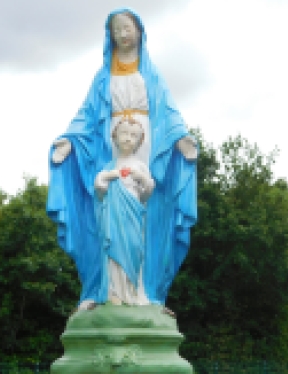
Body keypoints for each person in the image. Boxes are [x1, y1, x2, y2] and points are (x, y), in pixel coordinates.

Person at [47, 8, 197, 311]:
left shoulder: (151, 75)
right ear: (110, 36)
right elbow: (87, 116)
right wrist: (69, 141)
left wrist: (181, 138)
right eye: (116, 30)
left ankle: (146, 291)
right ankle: (103, 289)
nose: (122, 34)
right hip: (111, 147)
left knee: (148, 216)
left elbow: (167, 113)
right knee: (107, 215)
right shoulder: (103, 78)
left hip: (148, 150)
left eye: (127, 27)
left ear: (140, 31)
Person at [94, 118, 154, 308]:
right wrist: (113, 175)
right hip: (113, 215)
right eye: (124, 133)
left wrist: (141, 178)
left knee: (135, 249)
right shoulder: (110, 166)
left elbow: (147, 193)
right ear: (115, 137)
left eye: (133, 135)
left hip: (133, 215)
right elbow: (99, 188)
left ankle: (132, 291)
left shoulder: (140, 166)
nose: (128, 139)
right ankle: (115, 292)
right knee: (114, 251)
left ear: (139, 141)